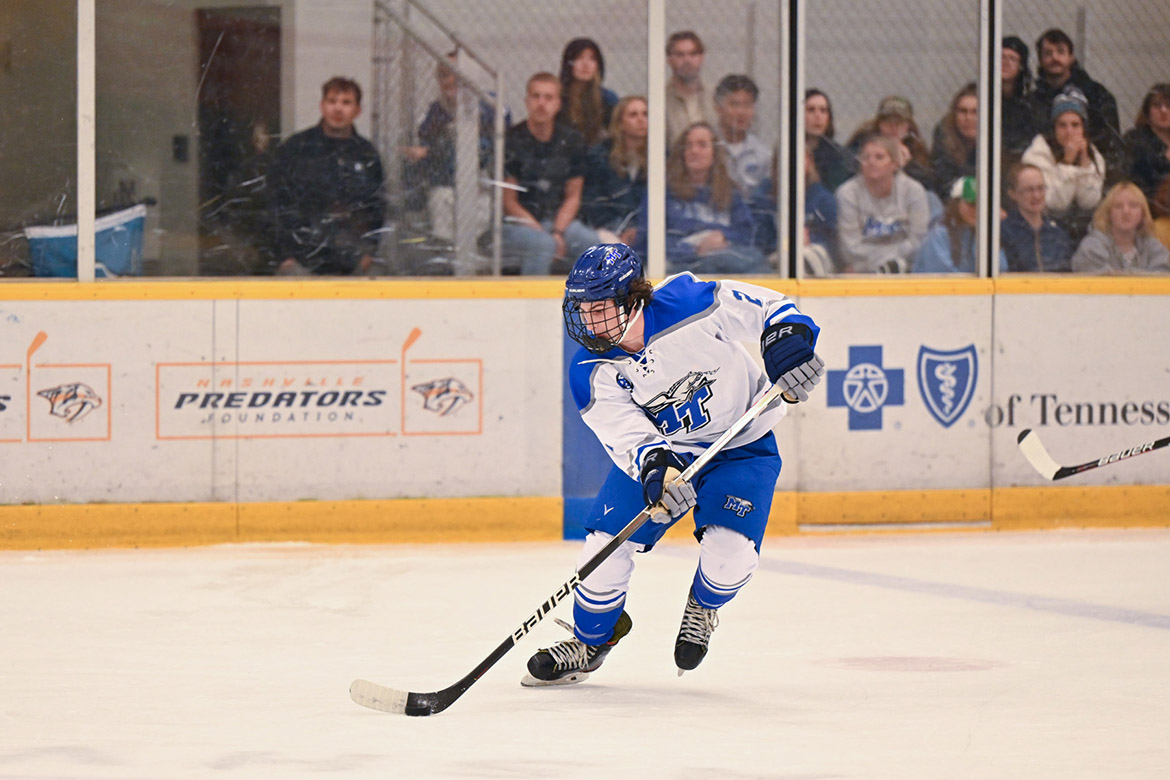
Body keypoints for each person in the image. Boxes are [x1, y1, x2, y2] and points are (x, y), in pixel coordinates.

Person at [522, 242, 825, 686]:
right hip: (666, 452)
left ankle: (703, 606)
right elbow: (624, 433)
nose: (587, 319)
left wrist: (786, 348)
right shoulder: (589, 368)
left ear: (631, 300)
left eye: (598, 307)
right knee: (602, 551)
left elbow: (772, 308)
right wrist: (655, 469)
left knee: (730, 556)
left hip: (742, 444)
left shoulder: (688, 301)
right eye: (581, 308)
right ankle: (591, 642)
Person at [269, 77, 386, 275]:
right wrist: (283, 257)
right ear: (322, 106)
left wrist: (369, 252)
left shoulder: (366, 153)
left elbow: (377, 207)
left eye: (346, 103)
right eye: (332, 101)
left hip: (353, 260)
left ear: (358, 110)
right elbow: (276, 202)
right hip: (301, 259)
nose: (338, 109)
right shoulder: (296, 148)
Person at [401, 53, 503, 246]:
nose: (450, 80)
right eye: (444, 75)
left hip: (481, 183)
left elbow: (486, 149)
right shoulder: (434, 113)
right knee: (440, 198)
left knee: (484, 205)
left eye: (456, 74)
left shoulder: (491, 105)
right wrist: (434, 151)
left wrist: (433, 150)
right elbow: (432, 158)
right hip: (446, 184)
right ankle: (447, 260)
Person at [502, 72, 599, 275]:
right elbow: (509, 202)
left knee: (593, 245)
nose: (541, 103)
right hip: (516, 224)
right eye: (536, 96)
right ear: (526, 101)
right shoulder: (510, 140)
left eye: (548, 97)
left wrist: (557, 231)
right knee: (542, 245)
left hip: (559, 221)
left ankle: (594, 304)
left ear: (558, 104)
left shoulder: (572, 140)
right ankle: (530, 305)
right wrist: (543, 233)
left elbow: (573, 196)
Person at [658, 122, 768, 275]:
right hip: (683, 267)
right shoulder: (663, 192)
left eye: (702, 145)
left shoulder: (731, 191)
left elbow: (747, 234)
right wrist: (694, 248)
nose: (694, 151)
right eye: (688, 146)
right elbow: (652, 238)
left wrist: (722, 237)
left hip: (726, 264)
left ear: (715, 153)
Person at [1030, 28, 1123, 175]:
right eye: (1048, 53)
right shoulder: (1034, 100)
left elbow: (1111, 142)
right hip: (1047, 172)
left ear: (1071, 57)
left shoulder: (1096, 94)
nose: (1054, 58)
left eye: (1060, 52)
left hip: (1091, 169)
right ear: (1040, 60)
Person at [835, 134, 931, 273]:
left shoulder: (914, 191)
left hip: (906, 269)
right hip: (863, 272)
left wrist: (888, 262)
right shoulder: (847, 193)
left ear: (895, 164)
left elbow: (919, 242)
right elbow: (850, 249)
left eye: (879, 157)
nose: (871, 162)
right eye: (865, 158)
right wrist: (886, 260)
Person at [1021, 89, 1106, 240]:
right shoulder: (1036, 154)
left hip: (1084, 232)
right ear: (1054, 128)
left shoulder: (1094, 155)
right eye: (1062, 125)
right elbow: (1056, 204)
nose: (1069, 132)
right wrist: (1067, 163)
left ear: (1083, 128)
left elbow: (1089, 202)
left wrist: (1084, 163)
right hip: (1045, 230)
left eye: (1075, 125)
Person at [582, 95, 647, 245]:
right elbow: (594, 204)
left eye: (645, 114)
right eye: (633, 115)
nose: (641, 120)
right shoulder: (600, 155)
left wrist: (640, 230)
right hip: (609, 231)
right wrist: (621, 229)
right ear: (620, 123)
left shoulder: (660, 157)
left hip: (646, 232)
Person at [1071, 182, 1170, 274]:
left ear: (1143, 214)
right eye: (1118, 206)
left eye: (1133, 205)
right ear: (1108, 214)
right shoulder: (1092, 246)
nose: (1126, 211)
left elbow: (1163, 275)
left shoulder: (1153, 246)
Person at [913, 176, 1005, 274]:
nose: (977, 210)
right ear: (956, 204)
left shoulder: (985, 233)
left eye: (982, 204)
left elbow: (1000, 268)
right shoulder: (939, 235)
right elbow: (944, 278)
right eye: (971, 204)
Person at [847, 95, 935, 194]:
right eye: (888, 122)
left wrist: (906, 166)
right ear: (879, 124)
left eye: (899, 122)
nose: (893, 127)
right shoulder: (863, 141)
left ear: (908, 126)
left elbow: (928, 182)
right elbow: (849, 171)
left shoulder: (915, 146)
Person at [1000, 162, 1073, 272]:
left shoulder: (1058, 233)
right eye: (1029, 190)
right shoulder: (1004, 232)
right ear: (1013, 194)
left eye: (1040, 188)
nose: (1036, 195)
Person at [713, 74, 772, 195]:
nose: (741, 112)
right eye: (734, 104)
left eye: (747, 105)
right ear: (718, 108)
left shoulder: (763, 154)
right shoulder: (705, 146)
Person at [557, 38, 620, 147]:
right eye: (579, 58)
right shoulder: (557, 97)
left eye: (592, 59)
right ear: (569, 63)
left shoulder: (608, 98)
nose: (585, 64)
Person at [664, 31, 717, 145]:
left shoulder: (716, 98)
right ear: (669, 59)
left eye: (693, 54)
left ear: (702, 58)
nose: (687, 60)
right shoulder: (660, 101)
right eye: (680, 55)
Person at [1122, 83, 1170, 206]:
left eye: (1169, 106)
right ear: (1147, 111)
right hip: (1144, 207)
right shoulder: (1135, 140)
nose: (1163, 110)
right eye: (1157, 105)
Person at [931, 83, 978, 199]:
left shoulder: (997, 141)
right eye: (963, 111)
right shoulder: (944, 138)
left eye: (975, 112)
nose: (968, 118)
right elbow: (944, 183)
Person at [804, 88, 855, 192]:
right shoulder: (786, 150)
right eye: (811, 110)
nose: (818, 116)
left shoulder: (838, 157)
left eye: (823, 110)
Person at [1001, 36, 1042, 164]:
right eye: (1001, 57)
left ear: (1021, 66)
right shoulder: (979, 96)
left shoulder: (1030, 104)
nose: (1005, 62)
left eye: (1012, 59)